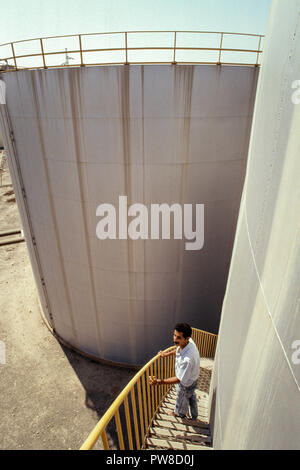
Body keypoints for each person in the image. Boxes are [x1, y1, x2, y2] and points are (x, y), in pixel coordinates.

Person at [149, 322, 200, 420]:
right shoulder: (189, 343)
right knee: (191, 395)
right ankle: (195, 416)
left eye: (178, 337)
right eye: (174, 335)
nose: (174, 339)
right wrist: (167, 354)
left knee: (182, 398)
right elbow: (179, 350)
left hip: (186, 383)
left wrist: (158, 382)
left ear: (187, 338)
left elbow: (179, 379)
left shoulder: (187, 360)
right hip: (193, 379)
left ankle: (179, 414)